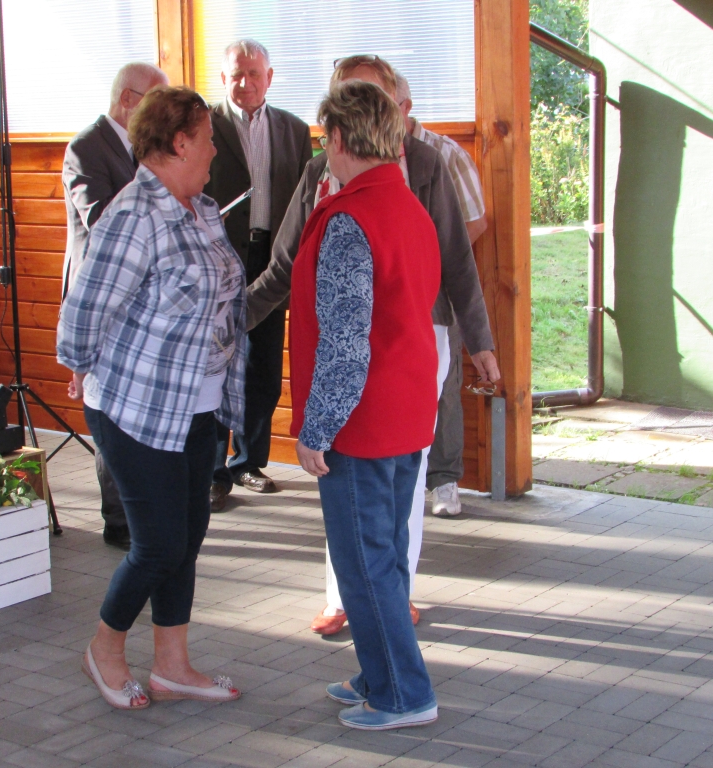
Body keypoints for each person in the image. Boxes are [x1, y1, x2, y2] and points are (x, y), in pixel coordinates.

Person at [246, 55, 501, 636]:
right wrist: (233, 319)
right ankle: (348, 600)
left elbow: (456, 259)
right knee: (344, 480)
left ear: (391, 109)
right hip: (343, 346)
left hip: (411, 341)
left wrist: (479, 340)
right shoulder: (319, 171)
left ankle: (391, 600)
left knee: (392, 484)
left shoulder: (427, 164)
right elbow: (284, 264)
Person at [57, 86, 245, 710]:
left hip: (196, 403)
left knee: (186, 538)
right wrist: (80, 365)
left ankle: (172, 665)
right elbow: (83, 310)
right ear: (180, 142)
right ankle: (104, 648)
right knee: (159, 544)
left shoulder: (201, 208)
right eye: (208, 138)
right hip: (135, 406)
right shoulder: (135, 214)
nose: (215, 150)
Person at [292, 79, 441, 730]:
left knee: (363, 564)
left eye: (325, 138)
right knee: (385, 555)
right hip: (406, 411)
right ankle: (378, 673)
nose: (323, 149)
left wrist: (316, 428)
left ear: (340, 138)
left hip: (363, 422)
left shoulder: (351, 219)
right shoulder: (408, 208)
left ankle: (404, 695)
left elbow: (346, 343)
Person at [61, 62, 169, 550]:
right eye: (154, 102)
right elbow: (101, 218)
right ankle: (118, 521)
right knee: (109, 407)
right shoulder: (86, 148)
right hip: (103, 298)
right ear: (128, 100)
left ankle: (145, 509)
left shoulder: (145, 148)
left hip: (145, 297)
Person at [204, 40, 313, 512]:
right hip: (220, 259)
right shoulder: (203, 123)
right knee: (215, 366)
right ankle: (211, 471)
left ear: (270, 77)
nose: (245, 82)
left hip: (274, 260)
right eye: (236, 74)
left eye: (254, 73)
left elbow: (305, 199)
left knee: (263, 369)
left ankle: (248, 461)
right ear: (222, 78)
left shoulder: (294, 129)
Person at [395, 71, 488, 519]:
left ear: (405, 107)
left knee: (444, 385)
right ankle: (403, 478)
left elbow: (475, 222)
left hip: (436, 291)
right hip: (390, 295)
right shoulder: (357, 155)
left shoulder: (444, 154)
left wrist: (428, 261)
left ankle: (445, 479)